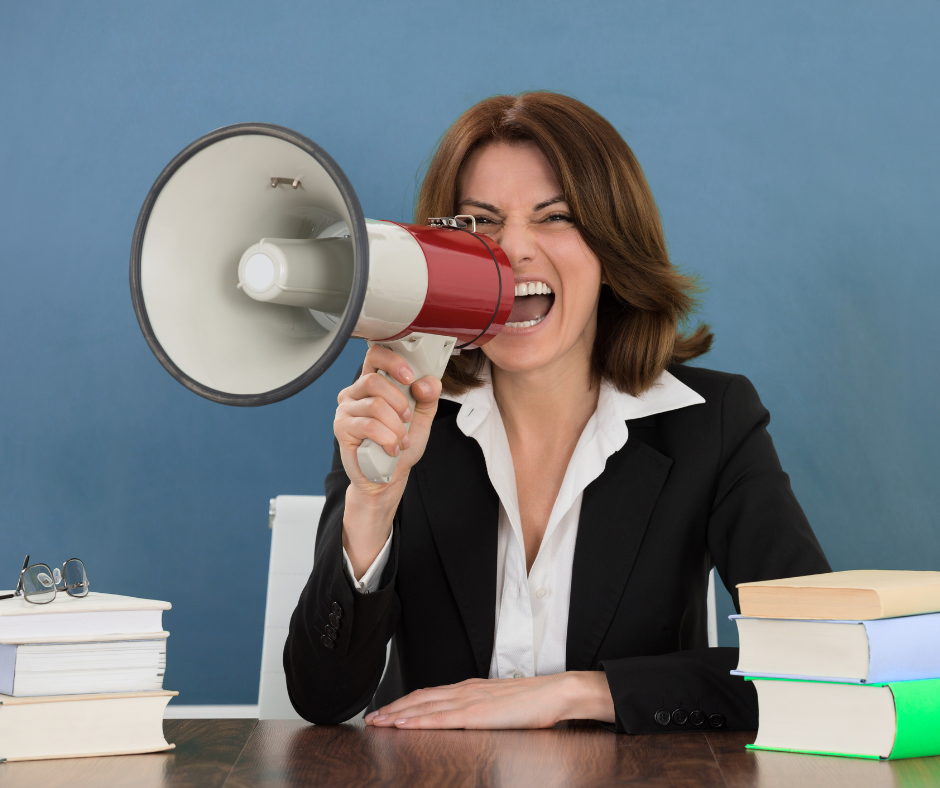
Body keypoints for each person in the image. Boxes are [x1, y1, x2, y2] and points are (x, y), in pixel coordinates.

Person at [283, 92, 830, 733]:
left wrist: (578, 694)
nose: (512, 250)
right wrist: (373, 500)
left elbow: (822, 663)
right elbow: (320, 699)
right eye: (479, 222)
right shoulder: (400, 402)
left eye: (555, 217)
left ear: (611, 247)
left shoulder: (711, 422)